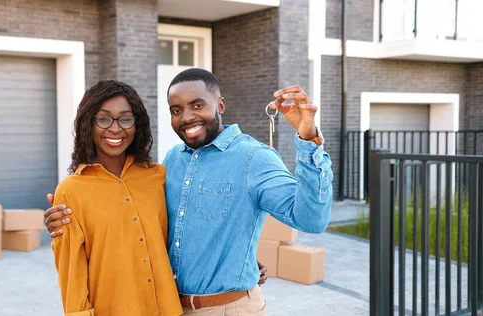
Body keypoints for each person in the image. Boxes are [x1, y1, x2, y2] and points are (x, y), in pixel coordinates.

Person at [46, 68, 334, 315]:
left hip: (228, 309)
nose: (187, 117)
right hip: (174, 307)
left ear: (220, 104)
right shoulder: (170, 162)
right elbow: (159, 228)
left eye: (198, 105)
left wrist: (308, 139)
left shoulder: (253, 158)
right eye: (176, 110)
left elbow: (310, 220)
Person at [50, 80, 183, 316]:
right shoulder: (71, 191)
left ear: (136, 125)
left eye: (125, 118)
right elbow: (72, 273)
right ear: (87, 124)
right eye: (103, 119)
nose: (115, 128)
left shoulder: (160, 177)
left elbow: (189, 232)